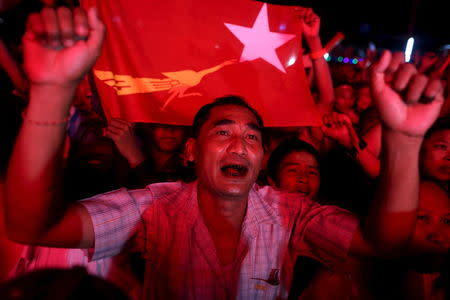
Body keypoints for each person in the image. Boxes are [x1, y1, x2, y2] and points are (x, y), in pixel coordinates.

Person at [4, 7, 445, 299]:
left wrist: (405, 141)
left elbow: (383, 243)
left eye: (252, 137)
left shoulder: (291, 214)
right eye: (223, 132)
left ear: (261, 160)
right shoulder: (152, 209)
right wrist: (52, 91)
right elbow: (33, 225)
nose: (240, 145)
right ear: (192, 151)